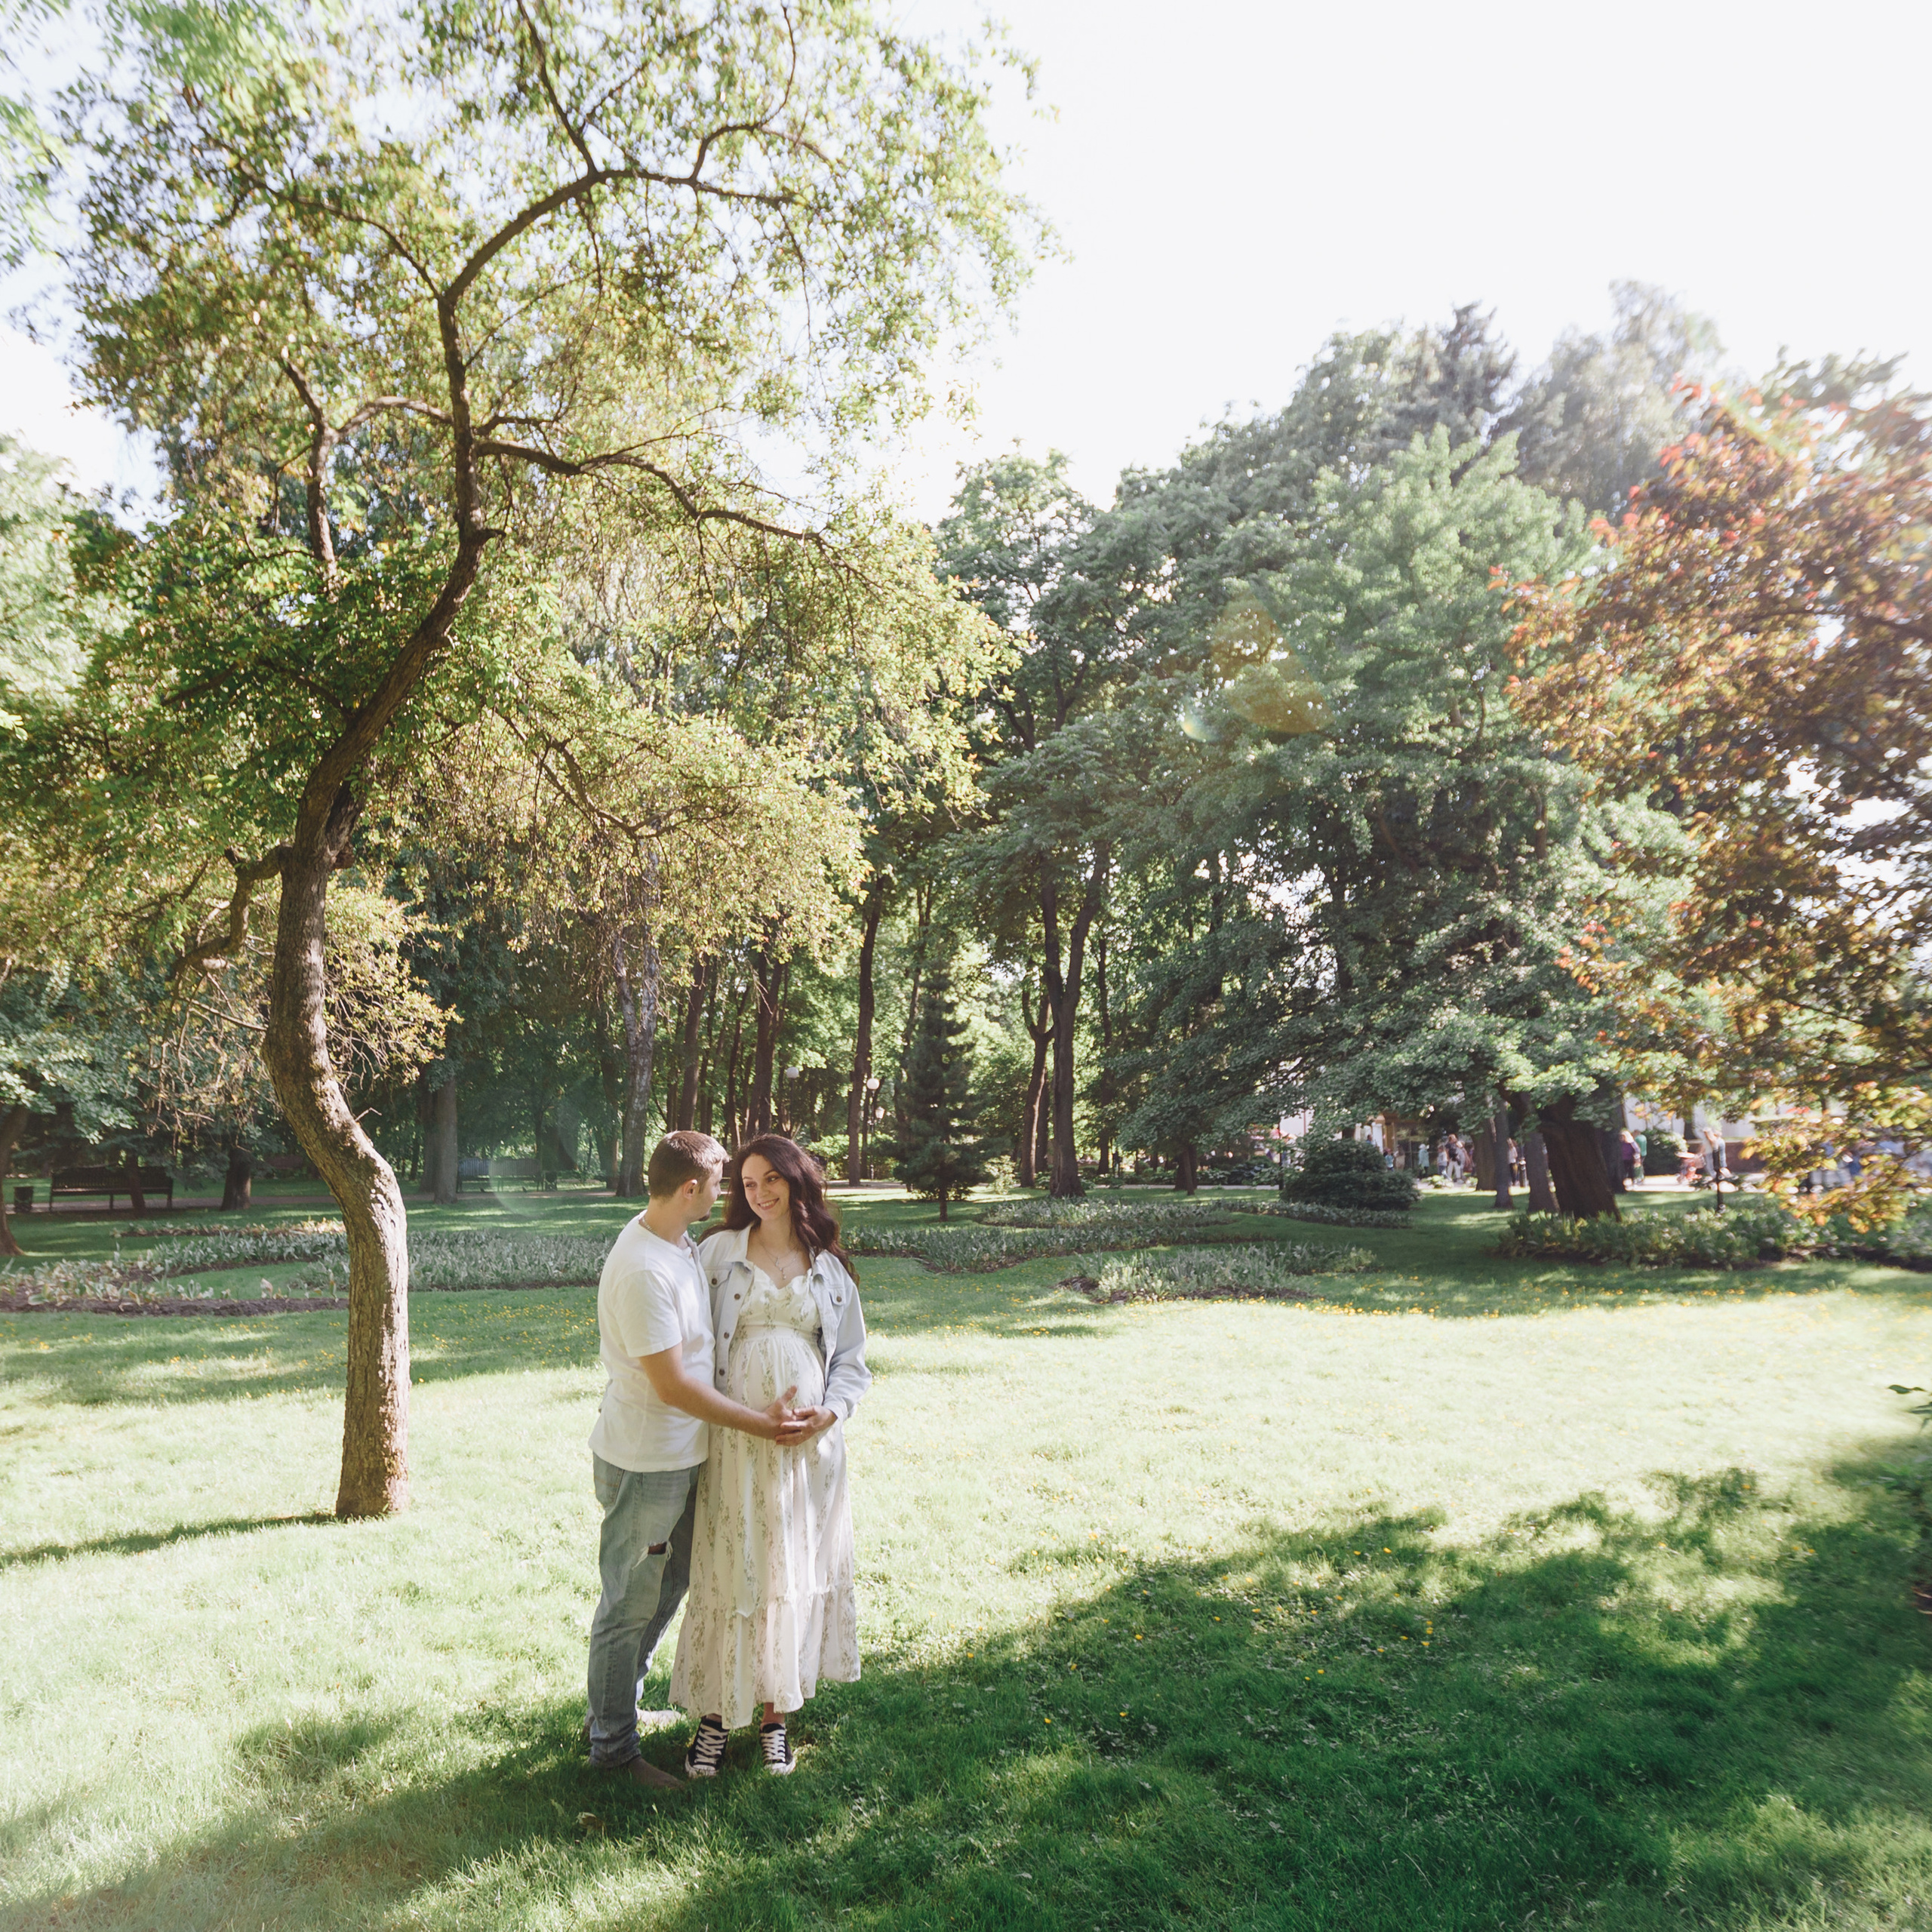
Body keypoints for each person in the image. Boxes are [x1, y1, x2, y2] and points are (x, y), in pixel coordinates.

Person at [585, 1131, 812, 1789]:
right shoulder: (644, 1271)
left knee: (666, 1588)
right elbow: (675, 1386)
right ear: (691, 1189)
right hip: (645, 1463)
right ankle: (613, 1752)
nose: (727, 1197)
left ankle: (614, 1711)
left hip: (681, 1459)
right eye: (720, 1185)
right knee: (628, 1605)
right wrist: (763, 1426)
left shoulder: (676, 1241)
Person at [671, 1134, 869, 1779]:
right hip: (736, 1440)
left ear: (795, 1179)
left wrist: (828, 1415)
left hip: (805, 1453)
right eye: (747, 1184)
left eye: (770, 1180)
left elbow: (852, 1366)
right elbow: (678, 1330)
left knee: (789, 1572)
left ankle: (775, 1718)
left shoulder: (829, 1269)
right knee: (734, 1566)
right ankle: (712, 1719)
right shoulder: (717, 1255)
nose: (758, 1194)